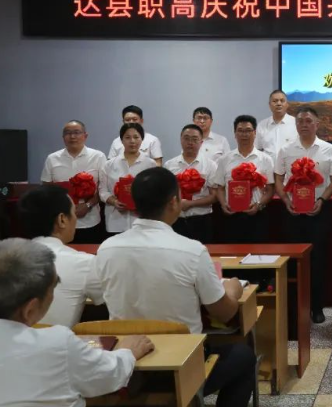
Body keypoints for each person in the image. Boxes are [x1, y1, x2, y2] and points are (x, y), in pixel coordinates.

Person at [95, 168, 256, 407]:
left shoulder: (107, 248)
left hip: (129, 363)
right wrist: (233, 289)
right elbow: (224, 313)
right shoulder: (192, 250)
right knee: (243, 355)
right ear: (174, 202)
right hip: (182, 364)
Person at [0, 238, 153, 407]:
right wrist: (128, 352)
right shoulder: (56, 343)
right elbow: (108, 375)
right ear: (30, 309)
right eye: (53, 289)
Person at [274, 107, 332, 324]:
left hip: (319, 212)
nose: (304, 124)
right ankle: (295, 308)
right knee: (293, 261)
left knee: (318, 260)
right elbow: (278, 178)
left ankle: (317, 307)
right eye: (300, 121)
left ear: (317, 124)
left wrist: (322, 200)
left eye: (308, 121)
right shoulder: (286, 150)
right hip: (292, 213)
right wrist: (286, 200)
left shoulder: (328, 149)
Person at [19, 184, 104, 328]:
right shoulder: (84, 263)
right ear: (62, 220)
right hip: (56, 342)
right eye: (73, 212)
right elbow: (112, 298)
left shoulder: (6, 258)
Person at [40, 120, 107, 243]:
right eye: (68, 133)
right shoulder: (52, 159)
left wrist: (87, 205)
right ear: (63, 137)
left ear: (85, 136)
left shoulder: (98, 157)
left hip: (90, 222)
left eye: (77, 132)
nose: (72, 136)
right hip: (61, 223)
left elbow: (103, 188)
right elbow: (47, 189)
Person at [211, 115, 274, 243]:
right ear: (235, 134)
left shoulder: (265, 159)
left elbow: (270, 189)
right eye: (240, 130)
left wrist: (258, 205)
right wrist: (223, 204)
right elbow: (220, 187)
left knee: (258, 253)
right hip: (232, 216)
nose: (244, 134)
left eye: (248, 130)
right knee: (233, 252)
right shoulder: (225, 159)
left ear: (255, 133)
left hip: (257, 215)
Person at [99, 123, 157, 235]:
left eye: (136, 137)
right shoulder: (109, 165)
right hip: (115, 221)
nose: (132, 141)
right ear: (121, 140)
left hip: (142, 221)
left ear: (142, 139)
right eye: (127, 137)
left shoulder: (151, 164)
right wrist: (114, 201)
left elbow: (155, 192)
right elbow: (102, 191)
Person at [164, 124, 218, 243]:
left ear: (201, 142)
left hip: (202, 220)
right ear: (181, 139)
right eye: (186, 138)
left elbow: (214, 196)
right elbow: (165, 194)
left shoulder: (210, 165)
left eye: (194, 139)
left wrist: (190, 204)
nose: (190, 143)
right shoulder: (169, 165)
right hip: (176, 220)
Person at [255, 89, 298, 160]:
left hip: (290, 166)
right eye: (275, 101)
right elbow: (257, 148)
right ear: (269, 105)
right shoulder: (262, 125)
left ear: (287, 104)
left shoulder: (296, 123)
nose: (279, 103)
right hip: (268, 166)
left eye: (282, 101)